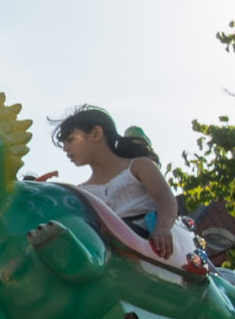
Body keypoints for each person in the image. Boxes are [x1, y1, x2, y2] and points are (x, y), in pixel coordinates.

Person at [51, 106, 178, 258]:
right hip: (111, 252)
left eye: (70, 139)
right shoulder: (82, 191)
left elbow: (165, 197)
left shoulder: (138, 166)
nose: (65, 148)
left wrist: (162, 228)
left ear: (96, 133)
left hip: (147, 243)